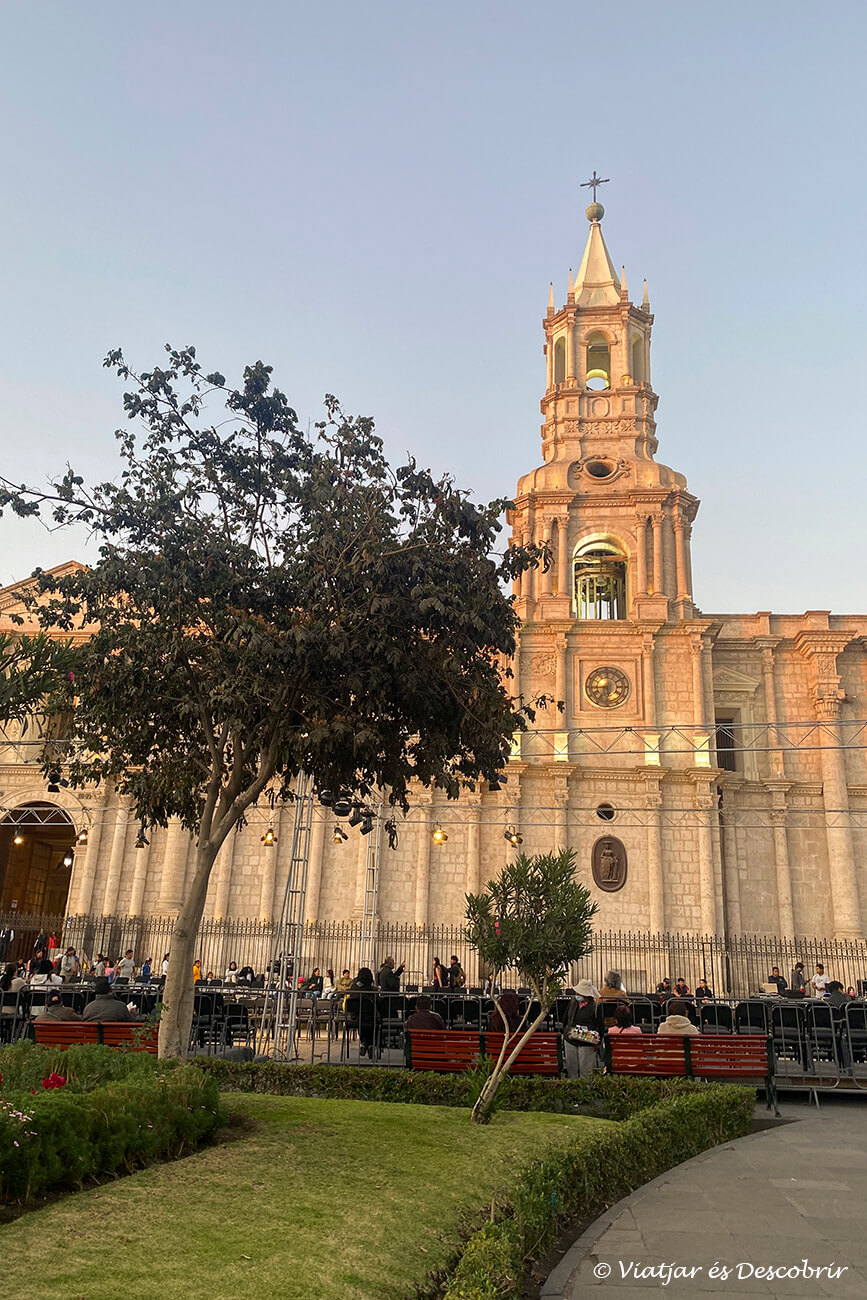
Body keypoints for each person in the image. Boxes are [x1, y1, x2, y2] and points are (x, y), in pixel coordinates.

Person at [562, 980, 604, 1078]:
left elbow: (600, 1026)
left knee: (586, 1071)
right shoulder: (573, 1002)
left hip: (587, 1043)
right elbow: (566, 1019)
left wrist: (598, 1043)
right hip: (570, 1040)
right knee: (571, 1070)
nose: (577, 994)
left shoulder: (595, 1007)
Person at [346, 967, 377, 1058]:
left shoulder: (354, 988)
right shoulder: (373, 990)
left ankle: (364, 1043)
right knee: (372, 1024)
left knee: (361, 1023)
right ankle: (370, 1044)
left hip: (356, 1017)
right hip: (371, 1017)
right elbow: (378, 1002)